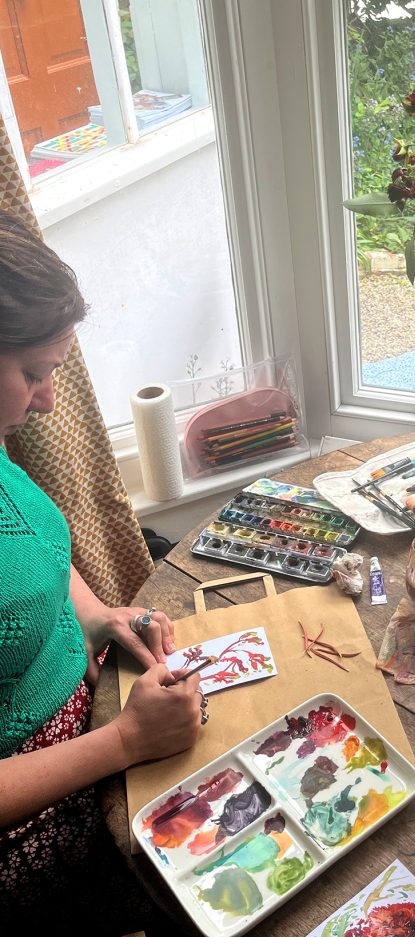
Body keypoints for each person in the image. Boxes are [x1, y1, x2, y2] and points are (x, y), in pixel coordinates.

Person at [0, 211, 204, 931]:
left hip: (97, 737)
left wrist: (97, 614)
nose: (48, 398)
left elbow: (38, 552)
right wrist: (125, 742)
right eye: (31, 373)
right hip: (32, 846)